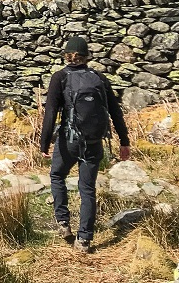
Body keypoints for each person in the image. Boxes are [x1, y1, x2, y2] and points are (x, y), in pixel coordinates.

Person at [39, 35, 131, 254]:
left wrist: (44, 143)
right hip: (94, 141)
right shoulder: (98, 78)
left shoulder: (59, 77)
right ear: (87, 56)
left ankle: (63, 222)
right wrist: (124, 141)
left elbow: (51, 112)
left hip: (68, 141)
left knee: (57, 176)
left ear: (66, 55)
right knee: (87, 188)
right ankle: (84, 240)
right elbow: (115, 112)